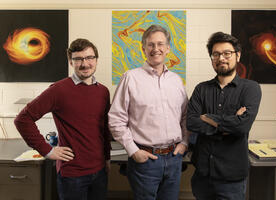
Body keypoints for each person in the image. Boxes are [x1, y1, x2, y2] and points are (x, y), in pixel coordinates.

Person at [14, 38, 111, 200]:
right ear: (71, 62)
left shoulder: (103, 91)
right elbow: (23, 119)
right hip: (72, 175)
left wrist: (107, 158)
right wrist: (47, 150)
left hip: (100, 171)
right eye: (78, 59)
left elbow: (104, 128)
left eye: (89, 58)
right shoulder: (58, 90)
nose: (85, 64)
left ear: (96, 60)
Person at [108, 24, 189, 200]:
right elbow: (116, 119)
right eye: (150, 44)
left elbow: (185, 117)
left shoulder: (176, 81)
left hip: (174, 158)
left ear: (168, 48)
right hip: (145, 160)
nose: (156, 49)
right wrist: (133, 151)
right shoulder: (130, 77)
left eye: (160, 44)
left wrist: (184, 143)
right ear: (143, 48)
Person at [187, 32, 262, 200]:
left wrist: (207, 118)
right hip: (203, 174)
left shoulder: (251, 88)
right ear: (212, 58)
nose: (221, 58)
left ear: (238, 55)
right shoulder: (201, 89)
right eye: (216, 54)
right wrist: (230, 123)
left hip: (232, 177)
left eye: (227, 53)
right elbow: (191, 122)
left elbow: (242, 126)